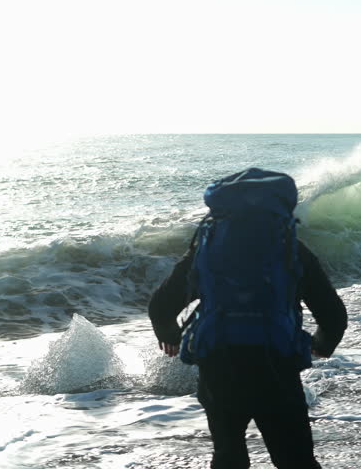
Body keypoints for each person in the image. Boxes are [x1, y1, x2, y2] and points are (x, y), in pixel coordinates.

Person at [148, 168, 347, 469]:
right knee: (295, 459)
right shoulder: (291, 247)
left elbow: (161, 305)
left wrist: (171, 337)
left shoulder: (207, 248)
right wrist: (322, 344)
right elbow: (333, 315)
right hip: (275, 364)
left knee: (228, 455)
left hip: (219, 364)